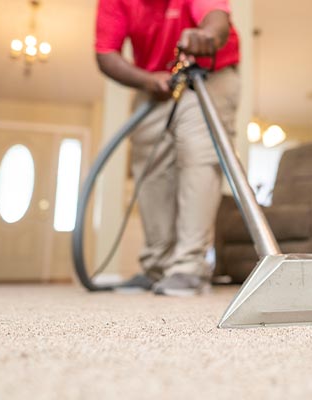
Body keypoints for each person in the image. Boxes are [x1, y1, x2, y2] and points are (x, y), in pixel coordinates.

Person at [95, 0, 240, 296]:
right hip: (153, 79)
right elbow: (105, 54)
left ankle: (189, 267)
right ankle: (157, 266)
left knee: (198, 154)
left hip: (209, 73)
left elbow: (217, 20)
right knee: (150, 165)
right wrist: (148, 79)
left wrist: (207, 36)